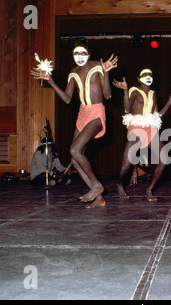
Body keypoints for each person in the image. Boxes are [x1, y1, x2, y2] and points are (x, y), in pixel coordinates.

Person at [31, 38, 118, 208]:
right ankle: (98, 198)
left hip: (96, 113)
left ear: (89, 54)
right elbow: (67, 98)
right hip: (82, 113)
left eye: (83, 53)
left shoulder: (98, 66)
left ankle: (96, 185)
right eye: (76, 53)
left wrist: (106, 73)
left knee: (74, 150)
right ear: (72, 55)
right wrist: (50, 81)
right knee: (74, 158)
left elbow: (107, 95)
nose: (79, 56)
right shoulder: (73, 72)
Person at [113, 68, 171, 201]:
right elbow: (127, 109)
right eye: (145, 74)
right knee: (125, 165)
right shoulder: (134, 90)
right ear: (138, 78)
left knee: (164, 159)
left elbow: (157, 116)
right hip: (136, 128)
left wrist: (169, 103)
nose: (148, 76)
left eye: (150, 74)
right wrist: (125, 91)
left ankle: (149, 190)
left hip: (150, 128)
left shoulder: (154, 94)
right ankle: (120, 185)